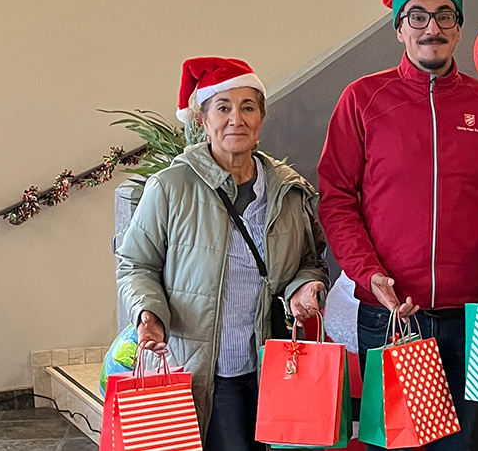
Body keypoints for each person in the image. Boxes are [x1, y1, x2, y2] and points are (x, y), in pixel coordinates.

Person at [317, 0, 478, 450]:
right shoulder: (362, 100)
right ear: (399, 28)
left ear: (458, 29)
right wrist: (367, 272)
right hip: (397, 317)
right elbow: (336, 198)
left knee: (472, 444)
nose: (431, 28)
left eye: (444, 16)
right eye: (417, 16)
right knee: (406, 445)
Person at [117, 56, 330, 451]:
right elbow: (136, 263)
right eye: (223, 108)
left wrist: (306, 286)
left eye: (248, 107)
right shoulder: (171, 187)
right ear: (202, 120)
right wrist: (148, 312)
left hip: (277, 365)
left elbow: (310, 261)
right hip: (210, 367)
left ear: (261, 118)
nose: (237, 119)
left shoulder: (287, 189)